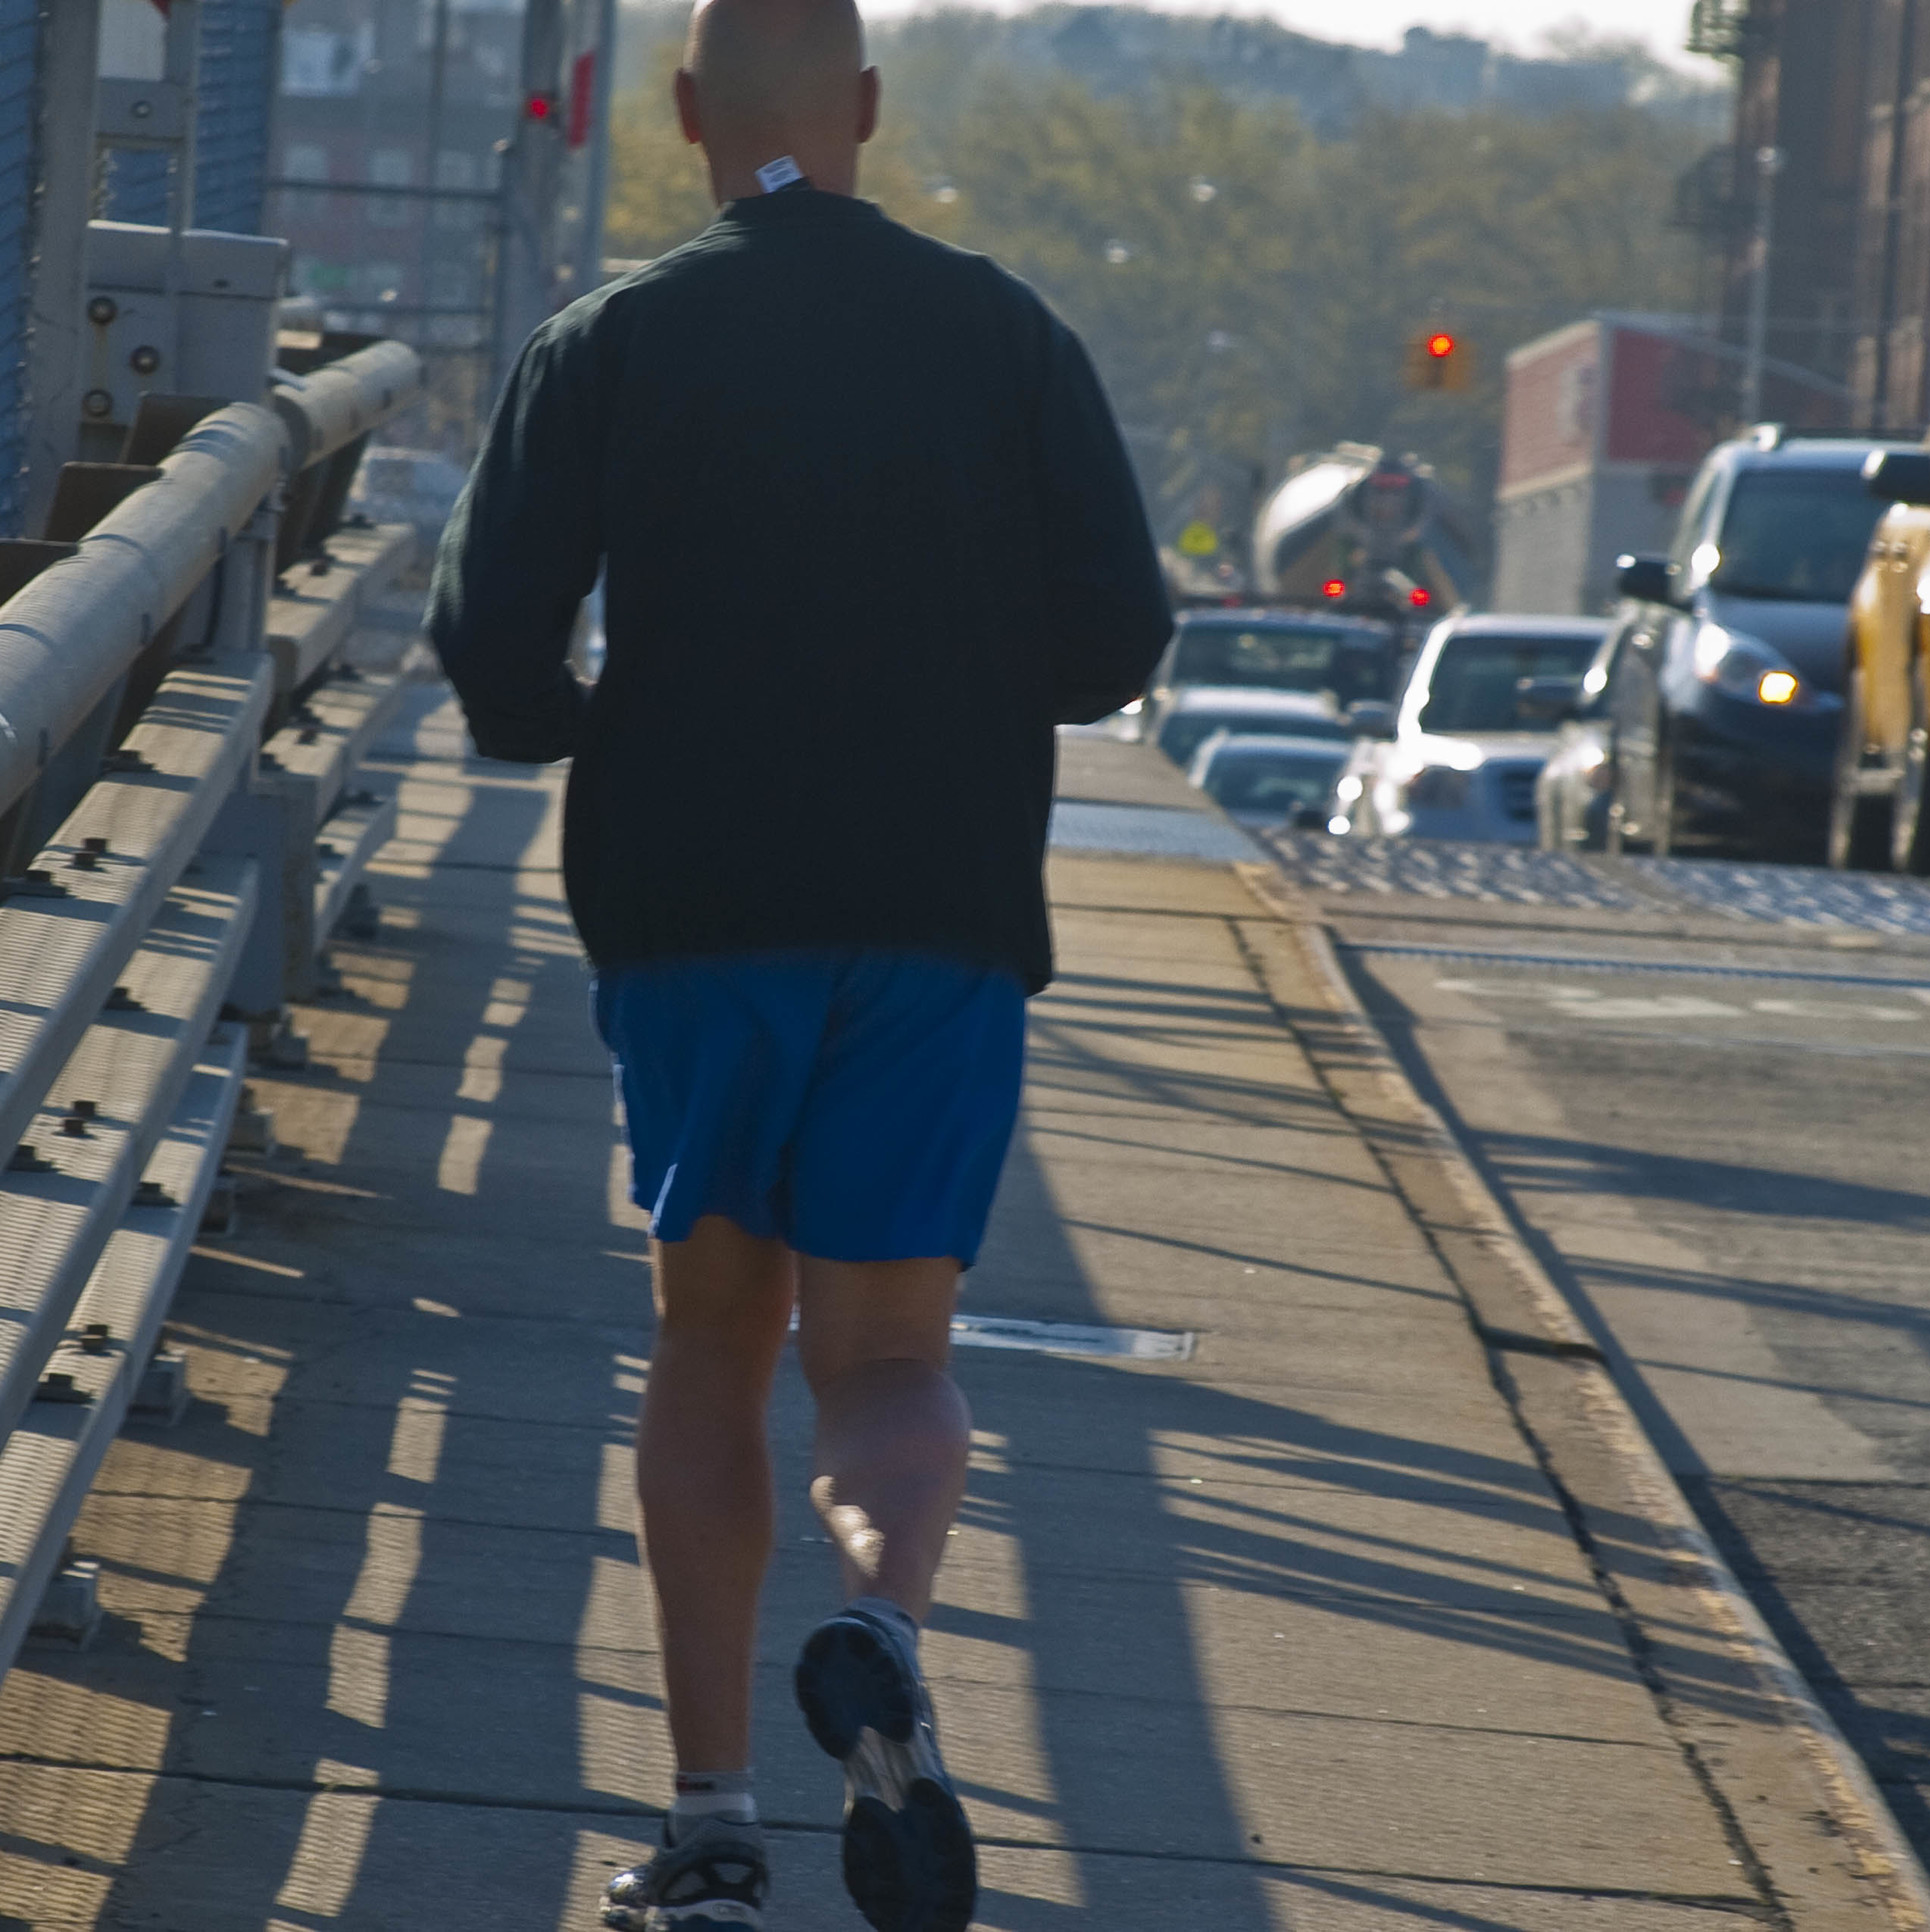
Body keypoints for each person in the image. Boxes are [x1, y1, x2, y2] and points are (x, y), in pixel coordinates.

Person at [423, 0, 1172, 1923]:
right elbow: (1114, 643)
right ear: (862, 106)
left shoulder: (612, 341)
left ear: (680, 113)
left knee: (707, 1345)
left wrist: (587, 717)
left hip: (693, 913)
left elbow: (494, 642)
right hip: (933, 915)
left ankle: (713, 1820)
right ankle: (885, 1626)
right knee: (893, 1362)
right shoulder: (1004, 332)